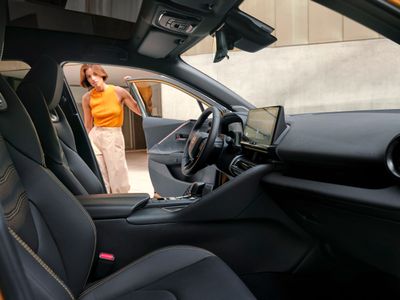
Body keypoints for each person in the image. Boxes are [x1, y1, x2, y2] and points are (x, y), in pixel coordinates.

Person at [80, 64, 141, 193]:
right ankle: (106, 201)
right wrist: (86, 143)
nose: (93, 79)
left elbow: (138, 109)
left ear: (101, 74)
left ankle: (122, 201)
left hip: (113, 134)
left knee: (117, 172)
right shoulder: (87, 98)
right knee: (100, 171)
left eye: (95, 74)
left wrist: (135, 87)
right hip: (95, 136)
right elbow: (88, 124)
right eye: (89, 76)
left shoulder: (117, 91)